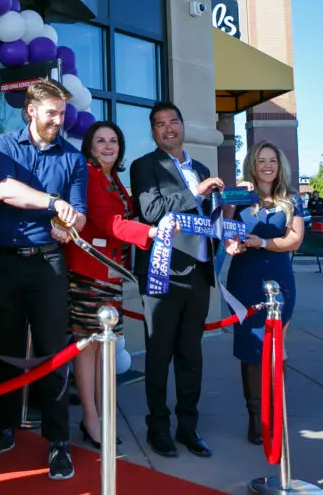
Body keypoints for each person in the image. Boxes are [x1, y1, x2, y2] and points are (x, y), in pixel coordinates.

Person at [0, 79, 86, 481]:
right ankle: (4, 430)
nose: (58, 120)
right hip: (4, 265)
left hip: (48, 266)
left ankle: (58, 442)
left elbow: (81, 213)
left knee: (52, 352)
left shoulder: (73, 159)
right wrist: (55, 203)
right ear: (31, 110)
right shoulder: (2, 145)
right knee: (5, 351)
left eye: (62, 113)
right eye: (51, 112)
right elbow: (5, 190)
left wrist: (71, 221)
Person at [62, 121, 163, 449]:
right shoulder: (88, 175)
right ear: (90, 147)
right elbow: (107, 222)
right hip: (89, 272)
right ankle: (91, 417)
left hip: (111, 274)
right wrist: (148, 233)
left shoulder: (114, 179)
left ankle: (103, 413)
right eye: (100, 141)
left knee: (105, 348)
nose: (108, 146)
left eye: (113, 141)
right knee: (88, 347)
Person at [130, 102, 222, 459]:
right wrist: (196, 193)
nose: (168, 128)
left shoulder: (201, 168)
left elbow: (208, 218)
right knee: (158, 356)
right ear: (153, 132)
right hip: (162, 275)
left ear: (183, 126)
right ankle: (158, 429)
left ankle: (188, 428)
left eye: (173, 122)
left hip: (199, 272)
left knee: (191, 357)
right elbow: (151, 211)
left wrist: (226, 222)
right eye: (160, 124)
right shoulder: (144, 166)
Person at [223, 141, 305, 445]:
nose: (267, 166)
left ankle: (276, 411)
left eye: (272, 160)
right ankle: (256, 420)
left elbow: (295, 240)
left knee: (275, 347)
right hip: (245, 280)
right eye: (261, 161)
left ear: (280, 164)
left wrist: (262, 242)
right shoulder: (239, 194)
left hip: (280, 280)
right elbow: (223, 228)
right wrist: (233, 201)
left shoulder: (292, 198)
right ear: (252, 166)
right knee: (250, 350)